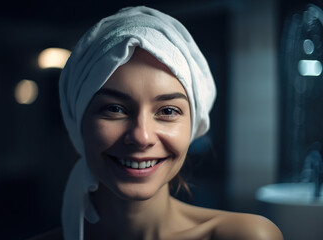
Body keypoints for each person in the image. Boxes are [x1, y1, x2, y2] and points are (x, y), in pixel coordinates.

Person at [48, 6, 283, 240]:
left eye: (168, 111)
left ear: (193, 125)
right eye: (115, 109)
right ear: (77, 122)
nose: (142, 136)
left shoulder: (248, 236)